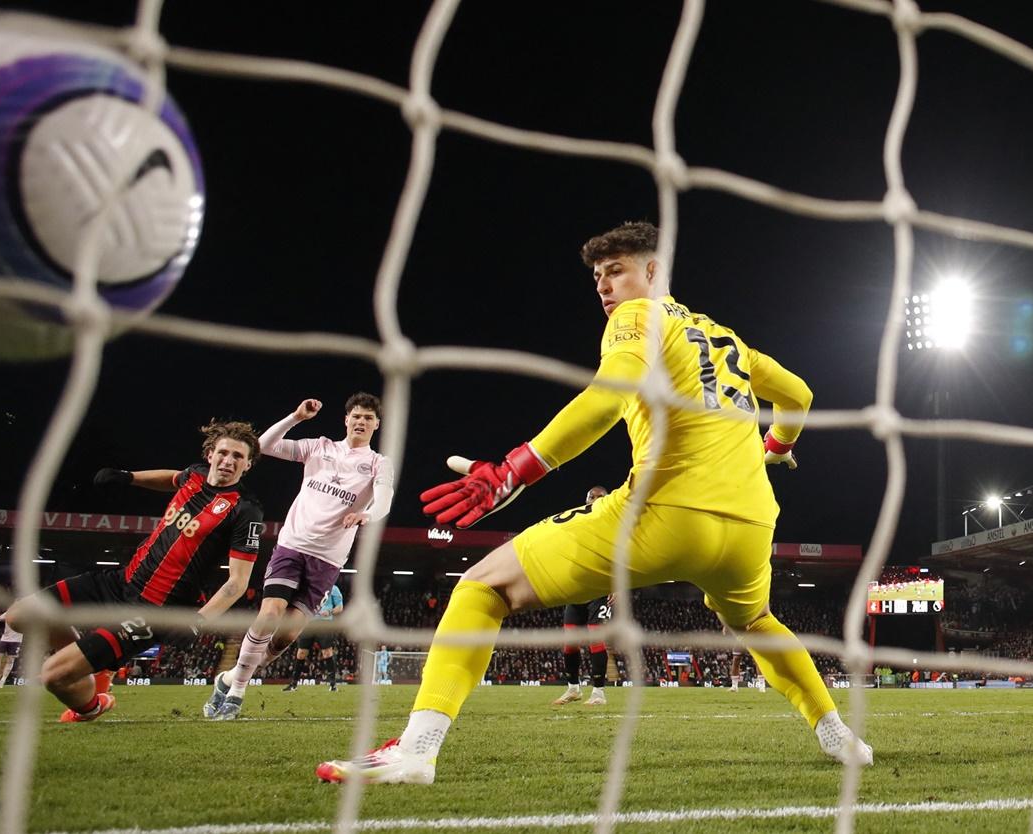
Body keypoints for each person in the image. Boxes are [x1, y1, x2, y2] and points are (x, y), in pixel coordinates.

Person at [315, 220, 871, 785]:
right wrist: (774, 447)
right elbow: (798, 394)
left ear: (653, 272)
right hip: (751, 525)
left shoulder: (639, 317)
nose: (604, 287)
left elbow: (609, 398)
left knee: (481, 589)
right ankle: (836, 733)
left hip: (663, 513)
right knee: (756, 622)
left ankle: (416, 750)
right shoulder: (727, 339)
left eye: (617, 271)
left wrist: (515, 469)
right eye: (599, 277)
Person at [1, 420, 263, 721]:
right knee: (19, 615)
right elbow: (172, 478)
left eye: (238, 457)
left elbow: (237, 583)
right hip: (119, 582)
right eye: (224, 453)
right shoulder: (195, 474)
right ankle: (92, 668)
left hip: (153, 611)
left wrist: (198, 622)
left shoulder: (246, 510)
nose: (228, 461)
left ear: (248, 465)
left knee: (53, 676)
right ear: (210, 454)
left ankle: (91, 706)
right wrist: (129, 477)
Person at [204, 393, 393, 720]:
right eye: (356, 416)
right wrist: (295, 418)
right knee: (270, 613)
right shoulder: (318, 447)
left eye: (368, 418)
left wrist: (368, 515)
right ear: (346, 419)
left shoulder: (379, 462)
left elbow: (385, 499)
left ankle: (231, 677)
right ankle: (236, 694)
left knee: (286, 636)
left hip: (328, 561)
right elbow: (263, 445)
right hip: (293, 545)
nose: (361, 422)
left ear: (377, 424)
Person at [551, 486, 613, 707]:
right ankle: (573, 689)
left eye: (600, 497)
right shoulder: (576, 521)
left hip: (599, 588)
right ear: (585, 499)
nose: (595, 500)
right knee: (570, 643)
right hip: (576, 588)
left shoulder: (613, 523)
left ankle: (598, 693)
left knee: (596, 640)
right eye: (591, 496)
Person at [283, 584, 344, 692]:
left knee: (327, 652)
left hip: (324, 624)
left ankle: (333, 685)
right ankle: (293, 684)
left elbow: (340, 607)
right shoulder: (309, 587)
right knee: (301, 653)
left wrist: (329, 612)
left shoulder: (333, 588)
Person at [0, 613, 23, 687]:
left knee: (10, 660)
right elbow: (1, 617)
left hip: (16, 641)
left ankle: (3, 680)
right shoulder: (10, 611)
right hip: (5, 639)